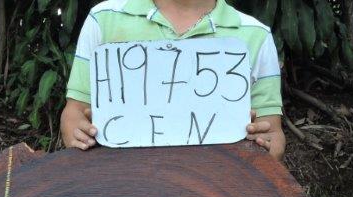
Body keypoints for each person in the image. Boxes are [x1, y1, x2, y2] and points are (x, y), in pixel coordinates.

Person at [60, 0, 286, 160]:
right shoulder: (104, 19)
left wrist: (264, 146)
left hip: (216, 190)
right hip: (121, 184)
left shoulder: (256, 36)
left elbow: (273, 133)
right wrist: (78, 133)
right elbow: (74, 111)